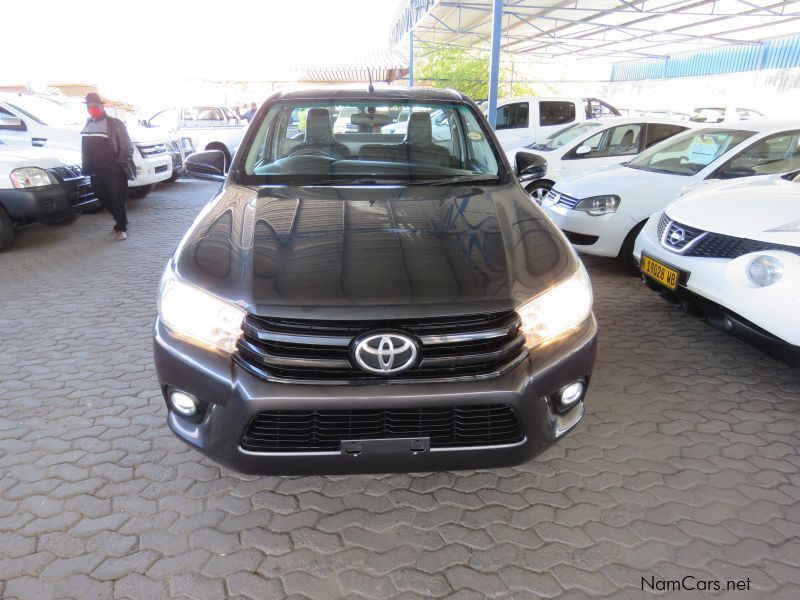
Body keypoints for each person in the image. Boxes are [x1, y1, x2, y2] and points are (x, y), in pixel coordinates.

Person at [81, 92, 136, 241]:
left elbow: (127, 146)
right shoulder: (88, 123)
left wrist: (120, 164)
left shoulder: (114, 123)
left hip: (114, 171)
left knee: (118, 199)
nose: (92, 109)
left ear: (101, 106)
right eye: (89, 106)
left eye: (95, 106)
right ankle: (121, 217)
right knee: (103, 198)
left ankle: (121, 227)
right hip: (95, 171)